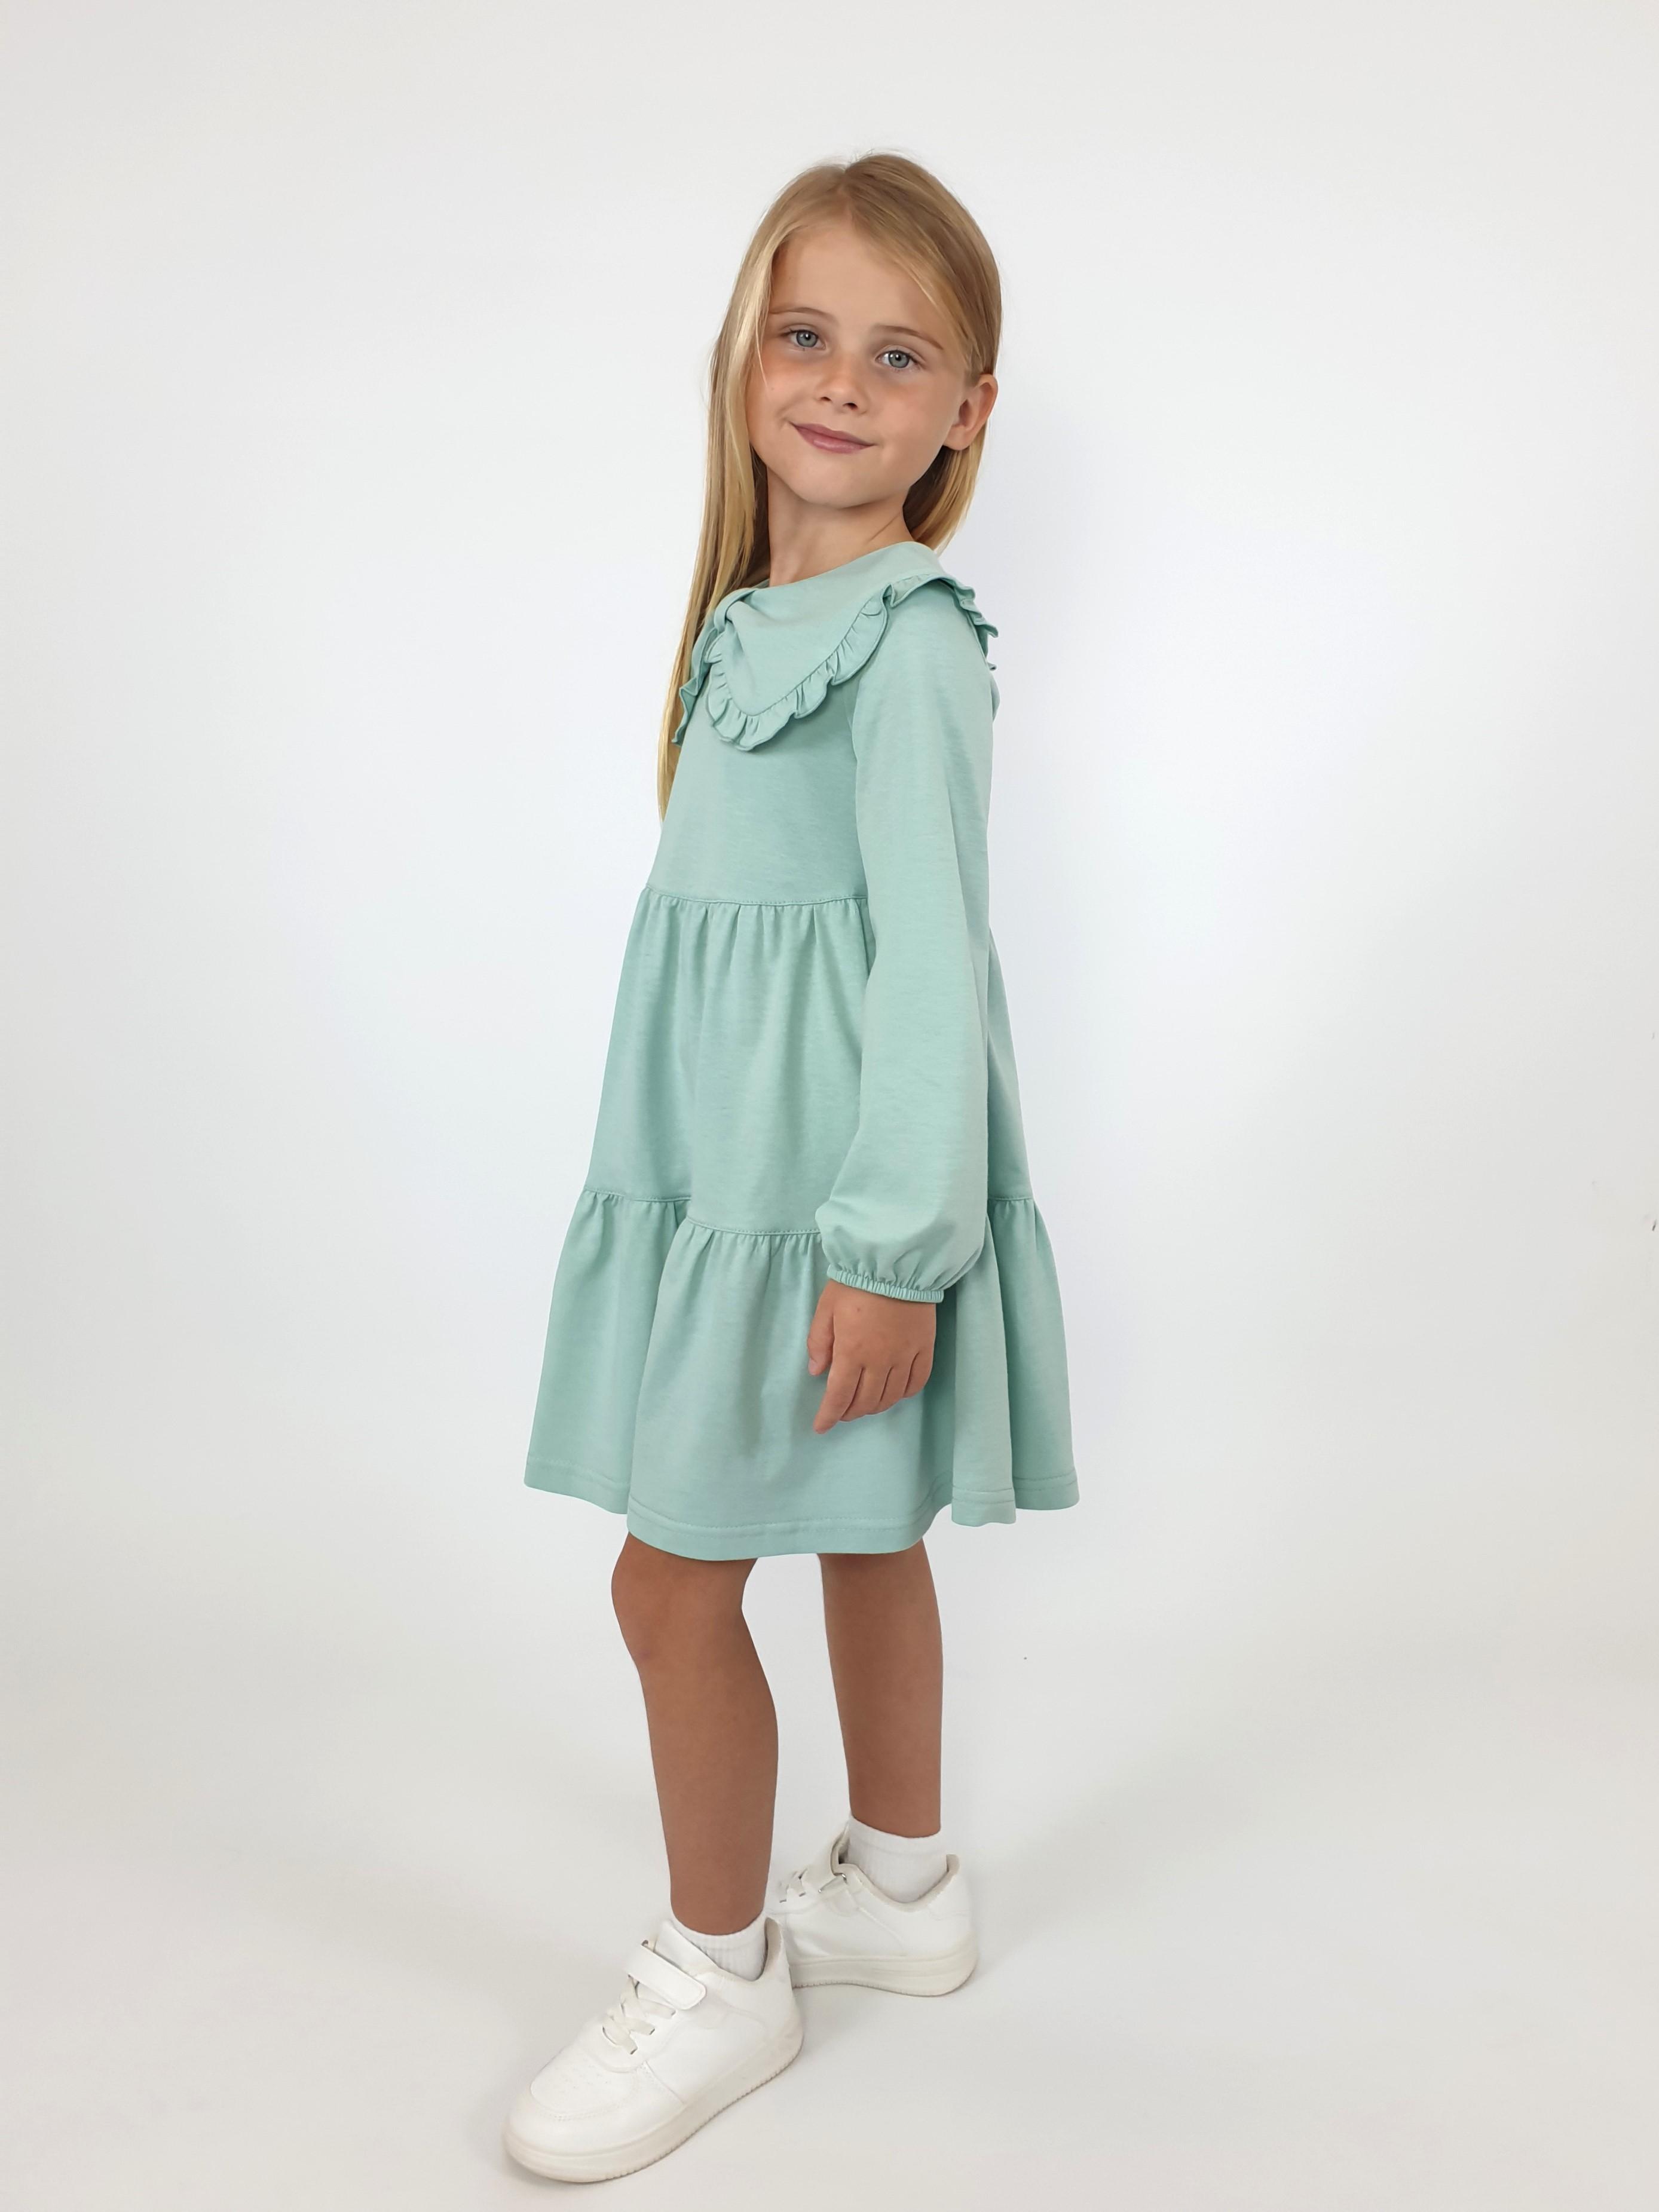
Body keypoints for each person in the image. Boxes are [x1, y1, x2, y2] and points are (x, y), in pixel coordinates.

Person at [504, 151, 1078, 2185]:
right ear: (745, 356)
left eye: (898, 355)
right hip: (728, 1186)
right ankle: (903, 1889)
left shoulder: (909, 644)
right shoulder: (752, 622)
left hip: (821, 1209)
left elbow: (931, 961)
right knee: (858, 1528)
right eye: (807, 333)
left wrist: (890, 1250)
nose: (841, 381)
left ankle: (721, 1968)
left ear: (966, 412)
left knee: (667, 1580)